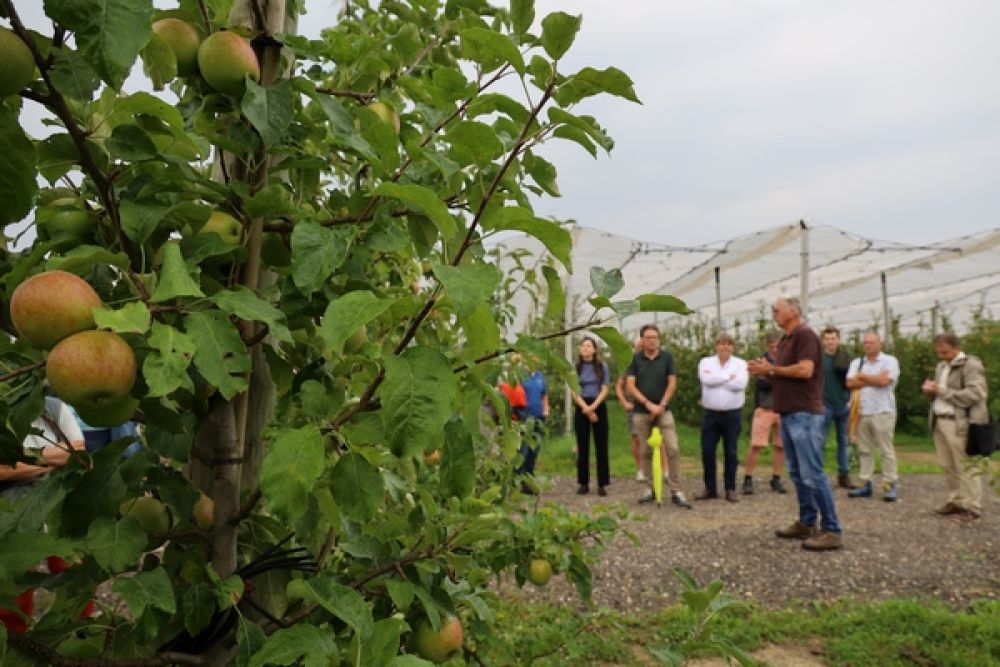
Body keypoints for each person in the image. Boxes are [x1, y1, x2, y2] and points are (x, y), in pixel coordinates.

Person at [748, 296, 843, 551]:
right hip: (789, 413)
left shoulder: (805, 335)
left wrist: (773, 369)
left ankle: (832, 529)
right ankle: (807, 521)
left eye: (776, 309)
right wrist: (766, 370)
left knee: (812, 472)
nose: (773, 314)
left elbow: (805, 371)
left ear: (792, 311)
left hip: (804, 413)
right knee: (798, 473)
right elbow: (787, 374)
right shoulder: (787, 339)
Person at [921, 333, 987, 523]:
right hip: (940, 421)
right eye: (939, 352)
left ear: (956, 347)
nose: (941, 355)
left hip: (959, 422)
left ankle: (973, 506)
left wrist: (941, 391)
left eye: (945, 351)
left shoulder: (971, 365)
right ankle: (956, 500)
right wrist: (931, 392)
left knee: (965, 465)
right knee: (947, 465)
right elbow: (940, 395)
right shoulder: (941, 366)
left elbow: (976, 393)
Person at [626, 324, 692, 509]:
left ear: (659, 338)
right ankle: (651, 488)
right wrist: (648, 404)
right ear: (642, 340)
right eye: (648, 337)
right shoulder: (635, 360)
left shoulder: (667, 358)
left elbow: (672, 382)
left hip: (664, 411)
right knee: (645, 451)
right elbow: (631, 385)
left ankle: (676, 490)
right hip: (641, 411)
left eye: (655, 337)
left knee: (673, 448)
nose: (652, 340)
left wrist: (661, 404)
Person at [845, 331, 900, 502]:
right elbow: (850, 383)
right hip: (862, 412)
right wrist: (874, 379)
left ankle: (889, 483)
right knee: (864, 450)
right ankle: (865, 482)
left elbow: (885, 382)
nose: (867, 345)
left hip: (883, 411)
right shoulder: (857, 362)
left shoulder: (890, 361)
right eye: (865, 342)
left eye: (871, 342)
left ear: (880, 343)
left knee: (886, 449)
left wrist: (863, 377)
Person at [0, 396, 85, 501]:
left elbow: (80, 451)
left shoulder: (54, 406)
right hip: (12, 494)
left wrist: (21, 459)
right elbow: (3, 472)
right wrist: (58, 461)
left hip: (56, 487)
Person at [695, 332, 748, 502]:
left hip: (732, 415)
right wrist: (727, 378)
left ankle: (730, 488)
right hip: (711, 415)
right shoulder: (706, 362)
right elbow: (706, 380)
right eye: (721, 343)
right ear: (716, 346)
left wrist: (717, 379)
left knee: (731, 452)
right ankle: (710, 488)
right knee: (707, 451)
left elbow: (740, 384)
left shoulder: (740, 364)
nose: (724, 347)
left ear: (732, 347)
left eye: (728, 344)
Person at [743, 330, 787, 495]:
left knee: (780, 445)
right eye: (772, 346)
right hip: (765, 407)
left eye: (778, 346)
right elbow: (763, 384)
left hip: (783, 408)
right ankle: (748, 478)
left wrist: (772, 374)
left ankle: (776, 478)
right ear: (767, 346)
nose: (775, 349)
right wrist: (779, 376)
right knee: (756, 445)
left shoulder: (787, 361)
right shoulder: (760, 361)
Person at [572, 337, 610, 496]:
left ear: (594, 349)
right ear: (580, 349)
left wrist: (593, 408)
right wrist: (586, 409)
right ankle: (583, 482)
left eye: (589, 346)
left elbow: (605, 388)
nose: (586, 348)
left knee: (601, 445)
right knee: (583, 445)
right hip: (582, 405)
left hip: (598, 405)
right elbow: (574, 391)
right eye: (583, 346)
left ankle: (602, 483)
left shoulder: (602, 367)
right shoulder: (575, 368)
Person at [820, 326, 856, 489]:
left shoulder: (847, 358)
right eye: (827, 339)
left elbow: (855, 380)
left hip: (843, 405)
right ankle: (818, 475)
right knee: (820, 441)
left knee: (844, 442)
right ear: (823, 341)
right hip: (824, 406)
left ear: (838, 340)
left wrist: (851, 399)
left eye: (833, 339)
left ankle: (844, 474)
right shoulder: (818, 359)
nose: (830, 342)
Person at [615, 336, 647, 482]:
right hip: (634, 405)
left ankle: (664, 470)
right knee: (636, 437)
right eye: (638, 346)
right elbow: (619, 386)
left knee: (659, 439)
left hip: (652, 404)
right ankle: (640, 469)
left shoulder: (654, 361)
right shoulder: (629, 363)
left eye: (642, 346)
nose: (640, 348)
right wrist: (624, 402)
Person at [515, 354, 549, 487]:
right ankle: (517, 478)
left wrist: (546, 409)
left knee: (535, 447)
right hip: (524, 416)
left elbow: (544, 394)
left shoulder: (540, 376)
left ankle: (529, 477)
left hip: (538, 416)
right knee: (523, 448)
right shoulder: (520, 376)